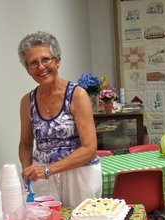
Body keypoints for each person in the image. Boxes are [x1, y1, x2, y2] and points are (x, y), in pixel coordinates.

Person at [18, 31, 102, 207]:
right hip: (43, 180)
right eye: (33, 63)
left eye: (46, 59)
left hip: (79, 176)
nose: (41, 67)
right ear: (27, 70)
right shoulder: (27, 101)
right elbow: (26, 143)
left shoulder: (77, 95)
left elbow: (90, 148)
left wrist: (49, 169)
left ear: (58, 61)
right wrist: (27, 171)